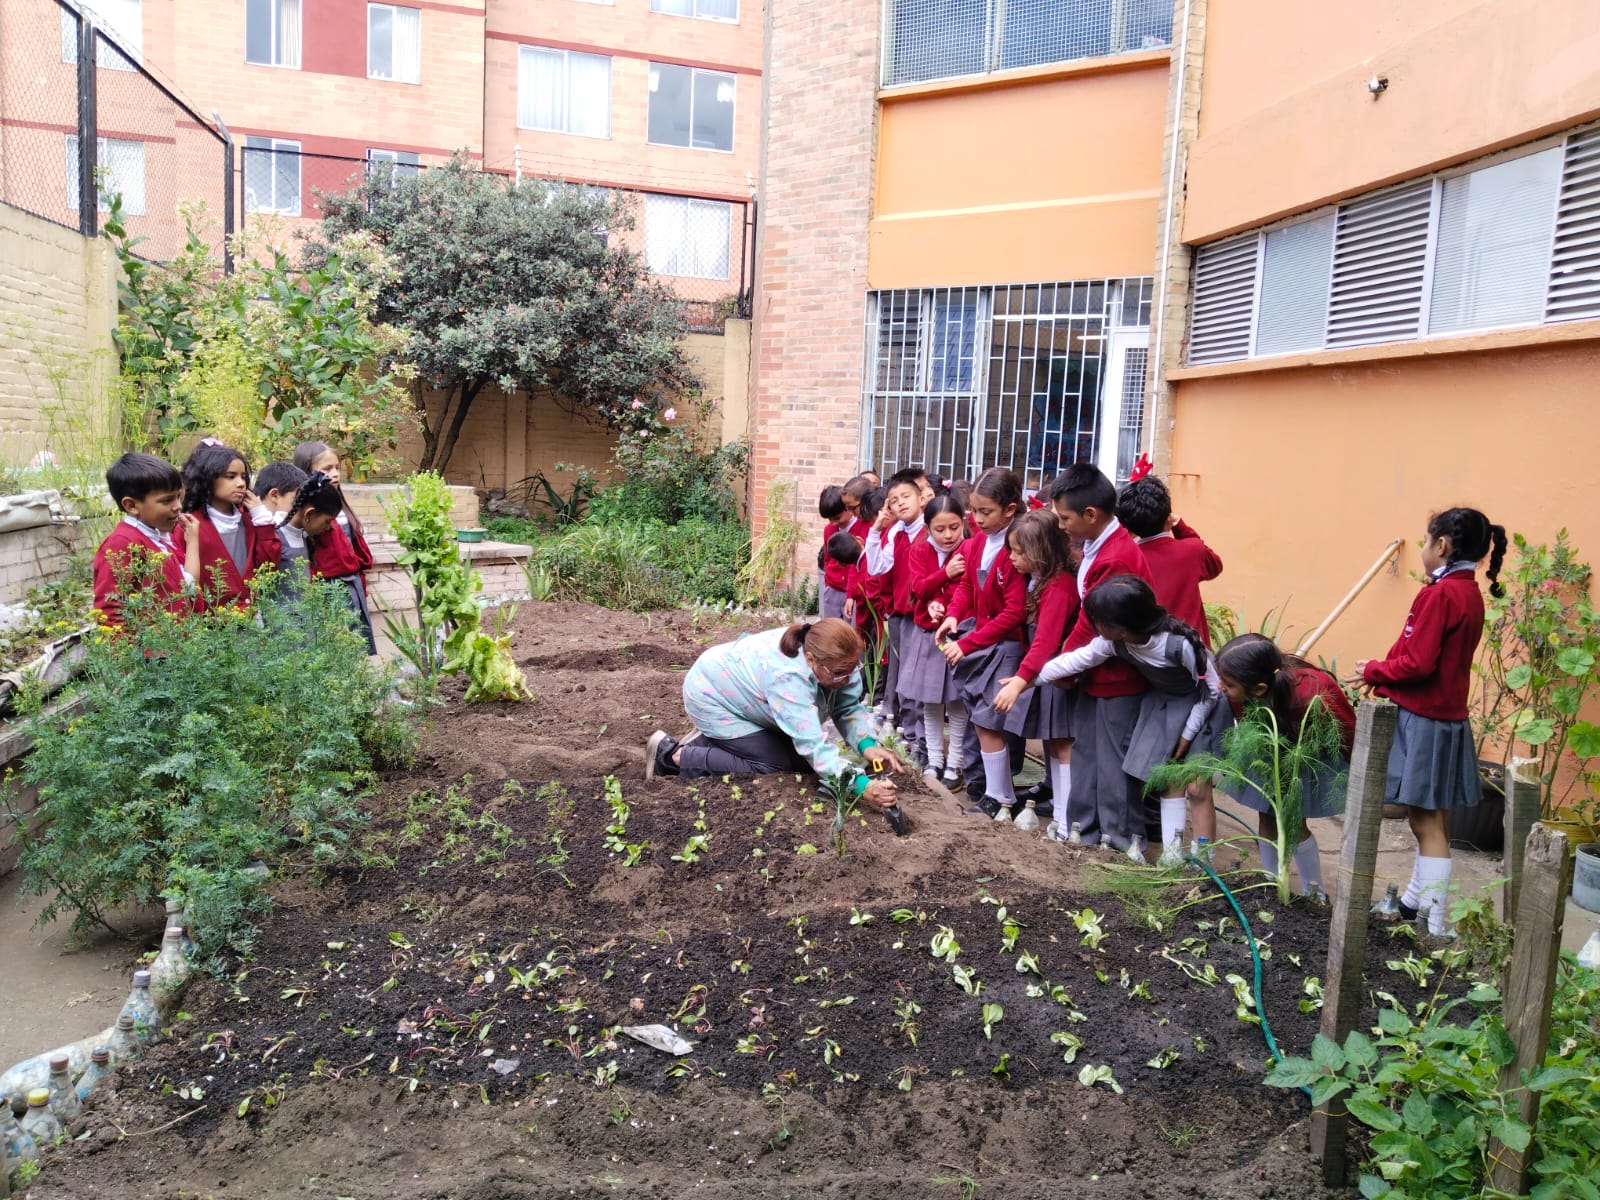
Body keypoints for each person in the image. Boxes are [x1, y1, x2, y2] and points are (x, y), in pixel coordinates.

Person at [1358, 507, 1505, 935]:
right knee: (1435, 817)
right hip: (1450, 719)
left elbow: (1418, 664)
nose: (1422, 549)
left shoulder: (1438, 595)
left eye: (1425, 541)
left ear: (1442, 546)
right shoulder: (1469, 593)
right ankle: (1413, 900)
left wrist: (1374, 670)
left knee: (1424, 821)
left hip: (1425, 721)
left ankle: (1434, 921)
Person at [1010, 575, 1220, 863]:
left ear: (1120, 628)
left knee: (1195, 786)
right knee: (1163, 778)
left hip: (1199, 709)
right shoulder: (1115, 644)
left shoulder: (1177, 645)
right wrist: (1024, 681)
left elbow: (1212, 690)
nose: (1091, 626)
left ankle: (1202, 859)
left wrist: (1187, 733)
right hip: (1161, 708)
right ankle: (1173, 855)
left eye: (1095, 620)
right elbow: (1074, 660)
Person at [645, 618, 904, 812]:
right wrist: (861, 786)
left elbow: (846, 707)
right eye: (839, 673)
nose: (847, 679)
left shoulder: (836, 658)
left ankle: (720, 742)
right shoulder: (788, 679)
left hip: (747, 697)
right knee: (774, 764)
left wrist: (867, 745)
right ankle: (673, 757)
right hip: (712, 696)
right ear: (811, 659)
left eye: (852, 669)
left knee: (802, 765)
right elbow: (812, 745)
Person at [1116, 472, 1225, 848]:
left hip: (1152, 670)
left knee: (1159, 763)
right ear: (1168, 516)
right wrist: (1182, 528)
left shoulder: (1130, 559)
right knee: (1195, 768)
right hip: (1196, 671)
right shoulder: (1189, 551)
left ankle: (1165, 843)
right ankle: (1201, 853)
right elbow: (1214, 565)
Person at [1047, 463, 1153, 848]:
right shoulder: (1096, 544)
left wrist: (1059, 663)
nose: (1060, 526)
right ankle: (1085, 830)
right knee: (1088, 752)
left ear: (1091, 515)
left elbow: (1093, 625)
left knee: (1113, 762)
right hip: (1094, 674)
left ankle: (1121, 839)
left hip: (1117, 676)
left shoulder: (1117, 557)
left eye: (1065, 518)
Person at [1217, 633, 1355, 898]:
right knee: (1266, 813)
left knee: (1292, 822)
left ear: (1259, 689)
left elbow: (1348, 732)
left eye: (1228, 683)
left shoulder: (1313, 692)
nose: (1221, 687)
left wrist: (1357, 773)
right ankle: (1271, 885)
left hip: (1306, 752)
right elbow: (1246, 720)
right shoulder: (1241, 691)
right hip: (1266, 745)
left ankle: (1314, 894)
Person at [933, 467, 1026, 815]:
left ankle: (1000, 796)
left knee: (990, 722)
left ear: (1010, 510)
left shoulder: (1014, 551)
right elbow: (967, 588)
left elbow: (1014, 612)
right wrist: (954, 615)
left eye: (986, 512)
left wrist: (968, 644)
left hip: (1004, 647)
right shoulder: (975, 546)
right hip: (983, 641)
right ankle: (994, 792)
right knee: (981, 720)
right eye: (974, 510)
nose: (977, 518)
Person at [983, 509, 1079, 824]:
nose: (1011, 558)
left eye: (1018, 552)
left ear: (1041, 553)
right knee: (1054, 743)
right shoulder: (1040, 579)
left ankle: (1066, 820)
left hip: (1058, 674)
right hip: (1047, 673)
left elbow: (1045, 642)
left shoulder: (1059, 587)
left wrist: (1019, 681)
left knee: (1063, 745)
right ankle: (1062, 815)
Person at [900, 493, 969, 785]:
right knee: (929, 702)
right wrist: (944, 575)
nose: (948, 535)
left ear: (963, 522)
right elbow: (918, 587)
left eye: (954, 527)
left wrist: (945, 602)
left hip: (958, 636)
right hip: (928, 634)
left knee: (956, 703)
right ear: (927, 528)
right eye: (939, 529)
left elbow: (968, 591)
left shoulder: (969, 549)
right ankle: (934, 759)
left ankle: (955, 763)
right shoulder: (919, 551)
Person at [91, 452, 202, 629]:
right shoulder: (122, 544)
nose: (178, 506)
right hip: (152, 653)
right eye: (167, 501)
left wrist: (192, 540)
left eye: (178, 497)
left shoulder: (160, 537)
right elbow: (111, 611)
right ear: (132, 506)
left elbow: (188, 586)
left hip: (176, 648)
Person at [172, 441, 281, 610]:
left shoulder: (251, 520)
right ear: (208, 479)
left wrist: (262, 520)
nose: (241, 483)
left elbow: (268, 567)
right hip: (210, 623)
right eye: (230, 477)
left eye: (243, 477)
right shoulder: (190, 524)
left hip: (250, 617)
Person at [865, 468, 928, 755]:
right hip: (901, 615)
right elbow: (877, 567)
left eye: (906, 496)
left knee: (918, 680)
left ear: (921, 498)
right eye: (893, 500)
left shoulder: (929, 531)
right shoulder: (896, 533)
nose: (900, 503)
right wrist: (876, 531)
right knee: (903, 679)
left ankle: (920, 741)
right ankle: (908, 733)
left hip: (923, 617)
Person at [292, 442, 375, 653]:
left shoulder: (339, 505)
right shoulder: (309, 511)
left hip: (351, 584)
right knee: (335, 650)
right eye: (327, 469)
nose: (335, 474)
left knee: (355, 648)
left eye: (337, 467)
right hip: (327, 589)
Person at [817, 485, 852, 618]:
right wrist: (828, 585)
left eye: (837, 518)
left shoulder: (860, 528)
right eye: (830, 519)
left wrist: (852, 594)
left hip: (852, 592)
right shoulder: (829, 530)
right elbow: (828, 558)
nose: (834, 522)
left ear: (848, 508)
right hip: (832, 589)